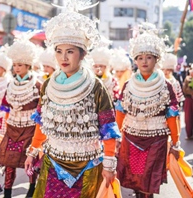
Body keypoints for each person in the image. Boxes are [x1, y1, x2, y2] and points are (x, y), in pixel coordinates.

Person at [24, 2, 121, 197]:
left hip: (88, 165)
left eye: (70, 51)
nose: (63, 57)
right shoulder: (48, 85)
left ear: (82, 53)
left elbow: (109, 130)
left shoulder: (95, 86)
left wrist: (109, 165)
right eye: (59, 51)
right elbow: (42, 123)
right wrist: (33, 150)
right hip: (53, 161)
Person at [115, 23, 181, 198]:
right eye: (140, 57)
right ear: (135, 60)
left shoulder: (166, 86)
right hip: (130, 137)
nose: (144, 61)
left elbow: (172, 118)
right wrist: (115, 138)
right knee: (135, 181)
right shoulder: (128, 85)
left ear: (156, 60)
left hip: (156, 140)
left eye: (149, 57)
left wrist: (175, 143)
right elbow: (120, 113)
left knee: (147, 183)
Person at [0, 31, 42, 198]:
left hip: (30, 129)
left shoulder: (38, 85)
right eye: (14, 65)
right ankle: (7, 192)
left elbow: (42, 109)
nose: (16, 68)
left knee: (31, 162)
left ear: (28, 66)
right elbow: (6, 106)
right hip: (12, 128)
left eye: (20, 65)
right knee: (8, 163)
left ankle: (32, 189)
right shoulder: (11, 84)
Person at [183, 68, 193, 139]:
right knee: (188, 117)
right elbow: (184, 89)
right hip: (189, 99)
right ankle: (189, 134)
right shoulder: (187, 79)